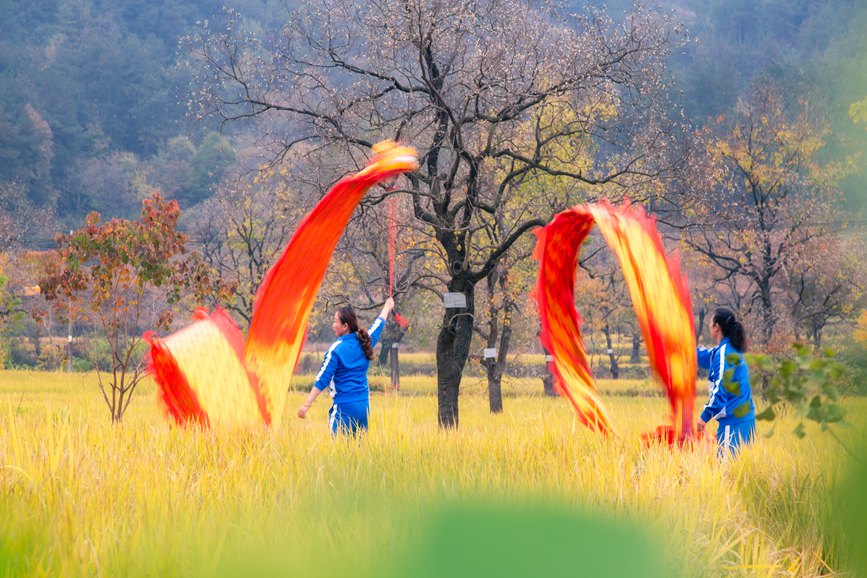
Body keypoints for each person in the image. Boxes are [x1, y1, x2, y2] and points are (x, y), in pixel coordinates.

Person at [298, 297, 395, 435]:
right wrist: (387, 307)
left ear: (345, 326)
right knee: (358, 451)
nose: (333, 324)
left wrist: (306, 405)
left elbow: (322, 379)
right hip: (363, 406)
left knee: (338, 452)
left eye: (335, 321)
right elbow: (378, 325)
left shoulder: (335, 350)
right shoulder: (364, 341)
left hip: (344, 407)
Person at [697, 308, 756, 454]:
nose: (709, 326)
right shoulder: (730, 349)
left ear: (716, 327)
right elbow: (706, 356)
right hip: (745, 420)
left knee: (727, 472)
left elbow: (719, 390)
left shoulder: (724, 353)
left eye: (710, 323)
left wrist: (703, 418)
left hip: (733, 422)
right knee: (741, 471)